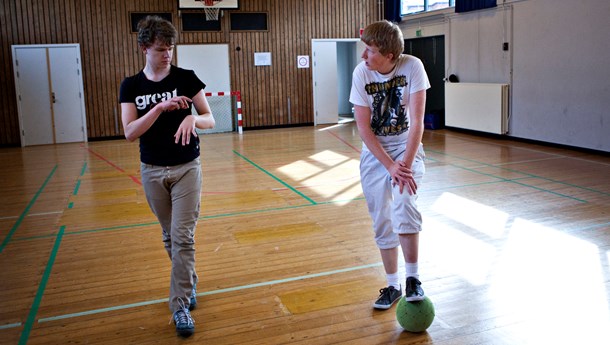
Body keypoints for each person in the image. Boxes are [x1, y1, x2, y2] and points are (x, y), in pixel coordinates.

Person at [119, 15, 215, 337]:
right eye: (161, 49)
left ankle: (180, 307)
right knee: (170, 236)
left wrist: (192, 119)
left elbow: (210, 118)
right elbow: (130, 132)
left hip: (187, 167)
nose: (167, 54)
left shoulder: (186, 78)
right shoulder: (131, 86)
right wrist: (159, 109)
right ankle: (188, 284)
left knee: (183, 235)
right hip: (152, 170)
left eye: (171, 48)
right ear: (145, 48)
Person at [349, 20, 430, 310]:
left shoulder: (413, 67)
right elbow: (364, 129)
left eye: (369, 50)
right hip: (376, 153)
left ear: (389, 55)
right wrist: (389, 166)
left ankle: (413, 279)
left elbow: (418, 121)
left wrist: (403, 166)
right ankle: (393, 284)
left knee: (406, 203)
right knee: (382, 217)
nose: (364, 56)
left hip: (407, 148)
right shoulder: (362, 73)